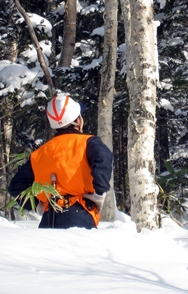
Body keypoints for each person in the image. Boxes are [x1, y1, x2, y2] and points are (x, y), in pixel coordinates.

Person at [9, 94, 113, 229]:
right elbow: (103, 158)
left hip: (48, 218)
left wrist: (37, 205)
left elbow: (16, 186)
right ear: (78, 120)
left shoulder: (39, 153)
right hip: (80, 214)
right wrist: (99, 193)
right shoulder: (88, 143)